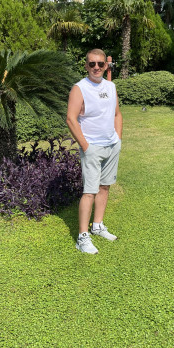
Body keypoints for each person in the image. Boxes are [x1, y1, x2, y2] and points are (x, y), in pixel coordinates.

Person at [66, 48, 123, 254]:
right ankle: (82, 237)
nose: (96, 67)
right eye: (92, 64)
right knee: (89, 191)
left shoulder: (111, 86)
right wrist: (85, 146)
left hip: (111, 145)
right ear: (86, 66)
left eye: (100, 64)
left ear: (106, 65)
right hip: (92, 147)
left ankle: (97, 225)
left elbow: (117, 114)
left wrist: (118, 139)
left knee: (105, 187)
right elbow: (71, 119)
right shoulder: (79, 88)